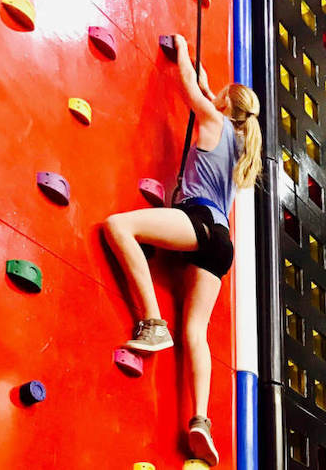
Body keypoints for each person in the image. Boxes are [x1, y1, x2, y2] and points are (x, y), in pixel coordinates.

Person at [102, 34, 261, 466]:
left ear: (225, 103)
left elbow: (190, 85)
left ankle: (152, 322)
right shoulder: (241, 142)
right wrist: (214, 89)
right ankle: (201, 419)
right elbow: (207, 94)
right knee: (196, 332)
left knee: (119, 226)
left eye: (220, 94)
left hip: (200, 222)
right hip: (221, 244)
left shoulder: (213, 119)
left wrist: (184, 52)